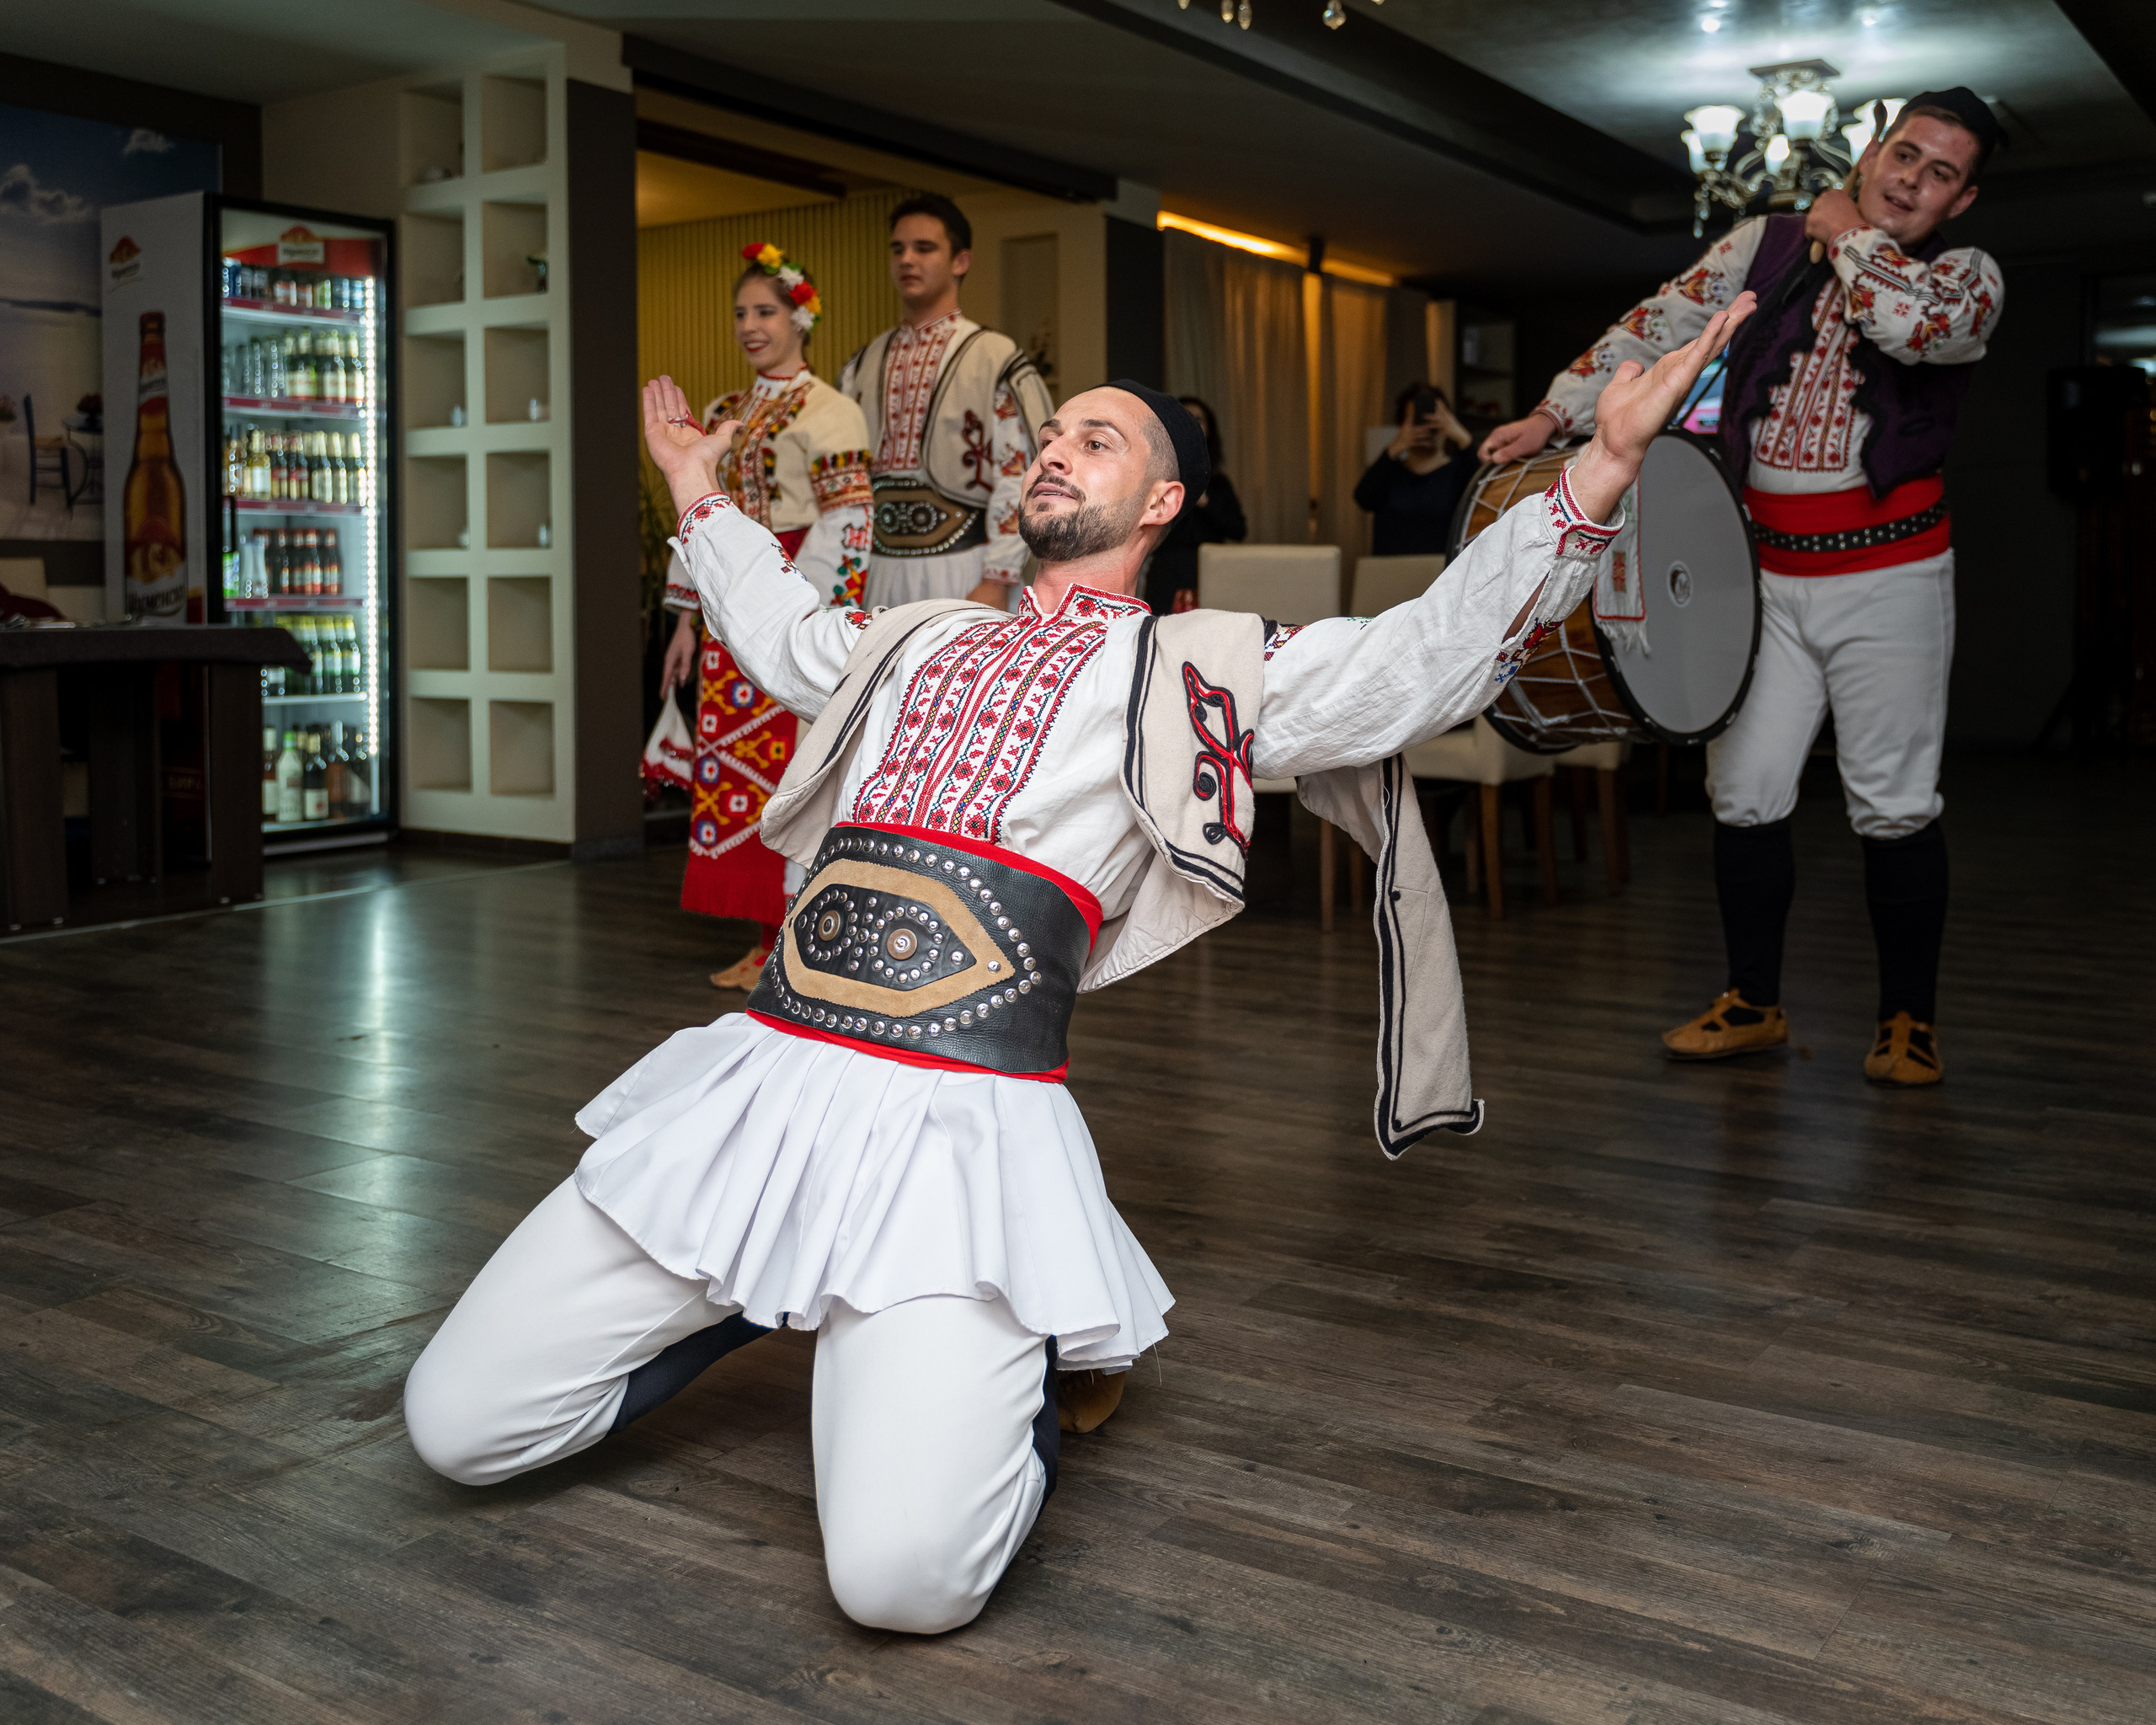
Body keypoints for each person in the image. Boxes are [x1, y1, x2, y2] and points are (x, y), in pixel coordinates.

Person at [403, 291, 1750, 1636]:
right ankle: (762, 1285)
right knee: (458, 1425)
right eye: (1054, 436)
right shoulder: (920, 635)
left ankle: (1035, 1356)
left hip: (958, 1130)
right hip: (760, 1083)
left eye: (1098, 440)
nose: (1055, 448)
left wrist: (1601, 469)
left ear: (1163, 503)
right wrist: (697, 488)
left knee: (902, 1585)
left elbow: (1422, 656)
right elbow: (780, 632)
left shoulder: (1202, 671)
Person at [1481, 89, 2005, 1088]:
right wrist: (1554, 413)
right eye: (1903, 154)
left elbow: (1906, 328)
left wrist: (1844, 234)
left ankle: (1908, 1020)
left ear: (1961, 199)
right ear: (1871, 151)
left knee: (1892, 801)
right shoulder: (1764, 244)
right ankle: (1752, 1000)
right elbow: (1658, 325)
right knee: (1744, 792)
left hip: (1890, 576)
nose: (1911, 180)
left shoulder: (1965, 279)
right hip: (1759, 574)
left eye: (1940, 172)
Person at [657, 242, 873, 991]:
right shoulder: (724, 411)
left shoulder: (832, 410)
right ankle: (761, 937)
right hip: (728, 612)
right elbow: (700, 516)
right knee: (741, 775)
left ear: (800, 318)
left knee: (792, 768)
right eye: (741, 313)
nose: (751, 326)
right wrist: (685, 620)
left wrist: (817, 619)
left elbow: (850, 522)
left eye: (766, 312)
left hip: (795, 604)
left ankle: (795, 940)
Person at [839, 193, 1054, 612]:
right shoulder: (862, 364)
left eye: (924, 248)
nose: (907, 259)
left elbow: (1020, 472)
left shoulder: (994, 356)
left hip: (967, 565)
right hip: (877, 567)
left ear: (961, 261)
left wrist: (997, 576)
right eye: (898, 249)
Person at [1141, 393, 1245, 614]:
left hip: (1209, 573)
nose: (1192, 423)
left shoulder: (1218, 483)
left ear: (1209, 429)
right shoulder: (1156, 478)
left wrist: (1206, 502)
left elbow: (1238, 530)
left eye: (1198, 419)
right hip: (1165, 573)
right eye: (1185, 417)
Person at [1355, 382, 1477, 557]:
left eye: (1433, 419)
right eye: (1418, 420)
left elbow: (1486, 492)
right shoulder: (1390, 471)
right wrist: (1396, 446)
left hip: (1443, 569)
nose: (1426, 427)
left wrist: (1460, 434)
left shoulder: (1460, 471)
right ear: (1402, 424)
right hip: (1390, 569)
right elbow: (1364, 498)